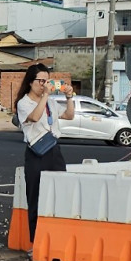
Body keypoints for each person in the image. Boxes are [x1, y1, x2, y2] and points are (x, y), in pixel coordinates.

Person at [15, 64, 76, 240]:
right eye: (40, 81)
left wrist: (69, 97)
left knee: (60, 194)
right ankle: (35, 240)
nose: (43, 85)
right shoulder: (24, 103)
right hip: (36, 153)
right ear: (30, 82)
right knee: (35, 197)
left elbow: (69, 116)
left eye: (46, 81)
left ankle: (56, 237)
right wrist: (46, 95)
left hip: (54, 151)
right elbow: (34, 117)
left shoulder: (50, 102)